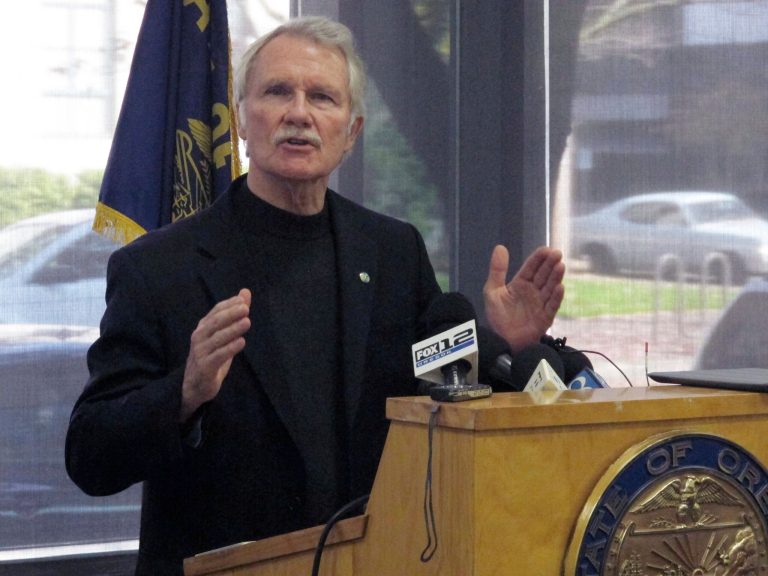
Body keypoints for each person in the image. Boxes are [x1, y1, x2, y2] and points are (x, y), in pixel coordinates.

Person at [65, 16, 564, 575]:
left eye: (322, 97)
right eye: (278, 92)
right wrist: (184, 392)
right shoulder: (158, 267)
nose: (299, 113)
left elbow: (441, 388)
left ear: (350, 133)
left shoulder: (393, 251)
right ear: (241, 124)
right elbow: (90, 456)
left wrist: (501, 344)